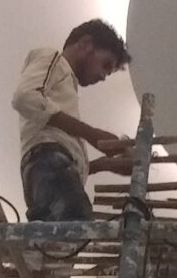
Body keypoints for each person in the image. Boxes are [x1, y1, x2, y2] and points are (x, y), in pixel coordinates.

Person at [12, 18, 134, 220]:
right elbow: (25, 97)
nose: (103, 76)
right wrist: (93, 135)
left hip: (47, 166)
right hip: (48, 161)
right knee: (76, 224)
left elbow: (63, 153)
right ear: (85, 44)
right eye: (105, 65)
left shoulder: (65, 90)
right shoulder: (52, 59)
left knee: (58, 243)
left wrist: (105, 165)